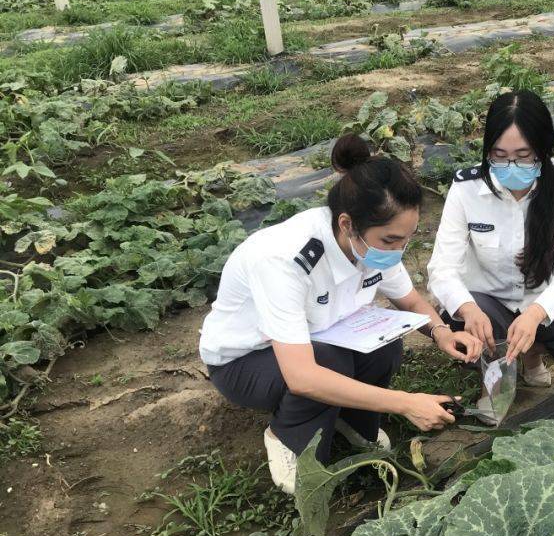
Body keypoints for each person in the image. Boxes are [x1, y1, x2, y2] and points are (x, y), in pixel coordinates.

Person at [199, 134, 482, 494]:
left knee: (386, 345)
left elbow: (410, 301)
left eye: (406, 240)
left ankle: (354, 422)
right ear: (348, 224)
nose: (398, 251)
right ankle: (287, 438)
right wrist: (406, 403)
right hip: (246, 363)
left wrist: (442, 332)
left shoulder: (373, 244)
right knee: (327, 363)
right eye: (391, 241)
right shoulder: (283, 258)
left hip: (321, 338)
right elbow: (302, 376)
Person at [427, 90, 554, 395]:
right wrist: (467, 309)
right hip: (488, 302)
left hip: (542, 300)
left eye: (523, 156)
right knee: (464, 323)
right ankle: (495, 378)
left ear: (543, 148)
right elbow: (442, 267)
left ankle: (533, 352)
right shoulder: (467, 188)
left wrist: (536, 313)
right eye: (499, 155)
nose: (511, 165)